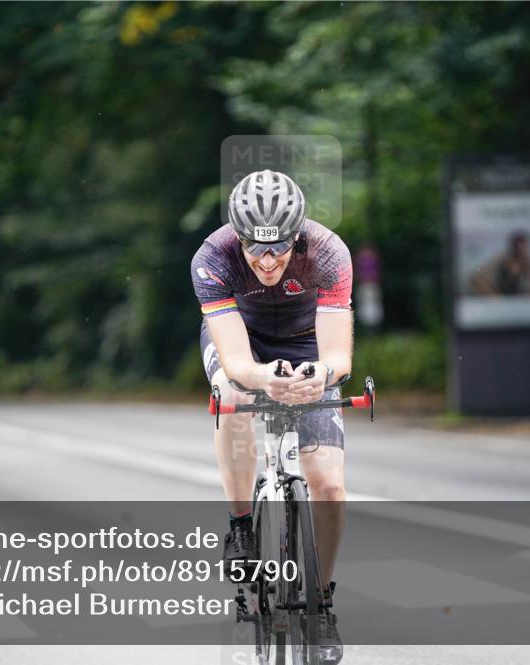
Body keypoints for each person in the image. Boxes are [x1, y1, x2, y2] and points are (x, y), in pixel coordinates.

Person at [190, 169, 353, 662]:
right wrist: (262, 379)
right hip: (245, 341)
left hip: (309, 345)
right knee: (231, 393)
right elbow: (238, 363)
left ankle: (321, 603)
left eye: (278, 249)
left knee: (328, 485)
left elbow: (338, 358)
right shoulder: (212, 258)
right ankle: (241, 526)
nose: (265, 262)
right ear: (237, 238)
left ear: (297, 236)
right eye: (253, 249)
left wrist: (318, 377)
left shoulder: (328, 253)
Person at [468, 229, 530, 296]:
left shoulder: (527, 262)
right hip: (500, 296)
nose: (520, 251)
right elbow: (476, 275)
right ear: (513, 247)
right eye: (518, 248)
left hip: (517, 298)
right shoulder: (502, 259)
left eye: (523, 248)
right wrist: (492, 295)